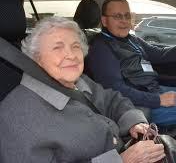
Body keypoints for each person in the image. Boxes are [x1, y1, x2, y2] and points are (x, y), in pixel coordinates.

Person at [0, 16, 166, 163]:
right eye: (57, 47)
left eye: (75, 46)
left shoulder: (78, 81)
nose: (71, 55)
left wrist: (133, 122)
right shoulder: (15, 118)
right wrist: (122, 160)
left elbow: (112, 100)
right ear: (35, 58)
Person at [85, 0, 176, 126]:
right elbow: (116, 90)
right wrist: (158, 100)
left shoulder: (131, 40)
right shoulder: (101, 48)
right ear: (104, 21)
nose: (124, 21)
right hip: (137, 105)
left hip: (151, 90)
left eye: (127, 15)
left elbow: (161, 54)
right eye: (117, 16)